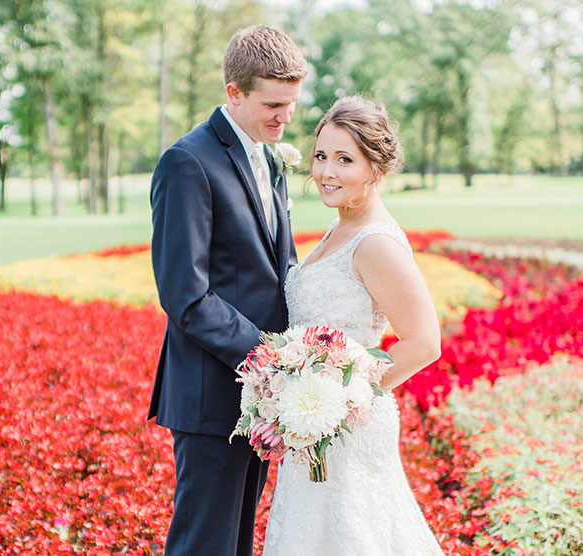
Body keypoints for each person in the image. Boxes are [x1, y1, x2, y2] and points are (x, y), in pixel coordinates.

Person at [148, 25, 307, 556]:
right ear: (233, 92)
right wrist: (269, 354)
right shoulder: (187, 162)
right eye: (273, 103)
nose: (286, 116)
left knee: (237, 543)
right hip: (211, 394)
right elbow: (185, 296)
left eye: (291, 103)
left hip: (259, 396)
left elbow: (276, 266)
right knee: (204, 544)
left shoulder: (270, 158)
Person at [261, 95, 444, 555]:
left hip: (349, 427)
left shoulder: (376, 242)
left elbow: (424, 342)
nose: (326, 172)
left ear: (375, 169)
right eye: (322, 156)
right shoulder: (339, 226)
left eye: (345, 159)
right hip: (313, 427)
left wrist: (341, 395)